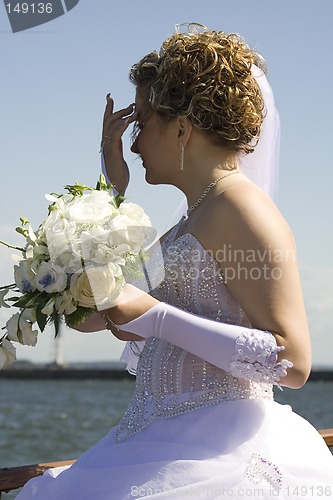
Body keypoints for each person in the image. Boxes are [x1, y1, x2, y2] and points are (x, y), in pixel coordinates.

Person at [17, 24, 333, 499]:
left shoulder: (241, 208)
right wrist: (109, 191)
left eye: (142, 121)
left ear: (182, 128)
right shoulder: (189, 223)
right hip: (157, 442)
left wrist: (157, 318)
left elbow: (293, 362)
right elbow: (89, 316)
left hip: (216, 453)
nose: (135, 141)